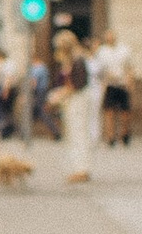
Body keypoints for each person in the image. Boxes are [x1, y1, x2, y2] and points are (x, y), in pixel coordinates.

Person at [54, 33, 97, 185]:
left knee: (79, 133)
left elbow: (79, 83)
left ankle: (82, 169)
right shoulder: (71, 60)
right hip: (72, 100)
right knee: (74, 134)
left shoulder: (78, 60)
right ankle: (78, 168)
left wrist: (61, 94)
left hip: (79, 100)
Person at [93, 31, 134, 148]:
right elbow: (98, 70)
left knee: (125, 113)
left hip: (122, 84)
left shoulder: (124, 50)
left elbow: (130, 67)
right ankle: (110, 137)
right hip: (109, 84)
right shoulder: (102, 51)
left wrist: (130, 83)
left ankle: (124, 134)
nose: (109, 38)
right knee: (109, 112)